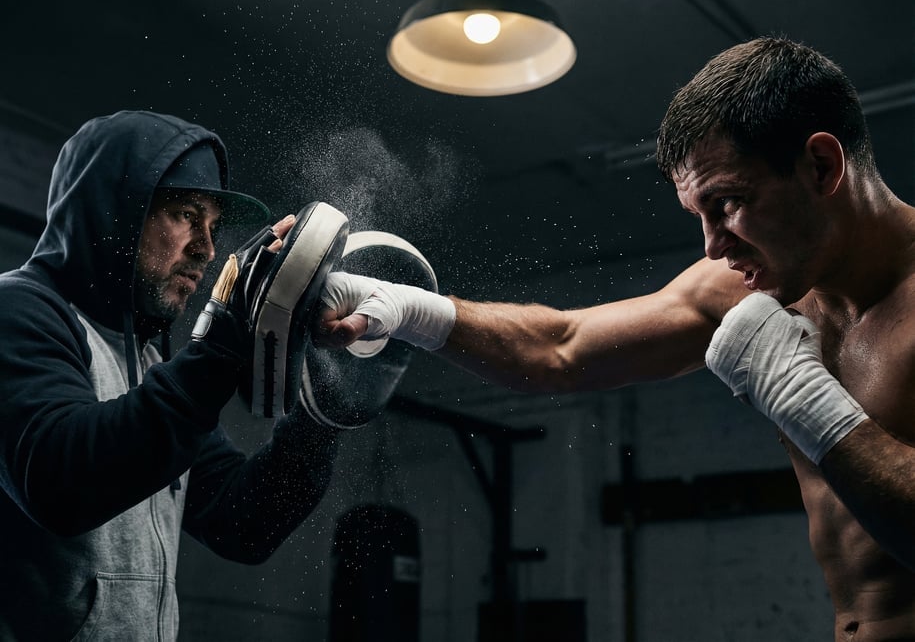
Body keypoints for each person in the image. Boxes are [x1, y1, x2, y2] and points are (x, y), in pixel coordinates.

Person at [318, 37, 915, 640]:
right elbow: (562, 348)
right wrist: (405, 307)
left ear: (821, 166)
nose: (712, 247)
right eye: (698, 216)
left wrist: (803, 398)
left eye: (729, 204)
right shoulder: (749, 285)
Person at [0, 110, 345, 640]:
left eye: (211, 228)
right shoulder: (19, 312)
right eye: (186, 215)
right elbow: (60, 483)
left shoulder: (150, 365)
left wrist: (326, 400)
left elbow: (242, 523)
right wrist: (226, 337)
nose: (207, 249)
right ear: (116, 210)